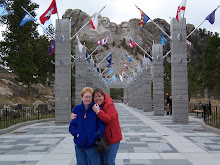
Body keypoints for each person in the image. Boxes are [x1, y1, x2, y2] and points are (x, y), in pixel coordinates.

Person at [69, 87, 105, 165]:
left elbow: (102, 125)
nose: (88, 99)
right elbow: (72, 126)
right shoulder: (77, 109)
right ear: (82, 97)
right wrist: (77, 134)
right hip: (79, 145)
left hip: (93, 145)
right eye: (86, 97)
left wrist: (96, 135)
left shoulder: (96, 108)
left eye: (89, 97)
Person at [92, 88, 122, 165]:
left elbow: (110, 120)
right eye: (95, 97)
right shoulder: (95, 106)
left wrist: (98, 112)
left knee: (109, 162)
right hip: (101, 139)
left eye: (99, 96)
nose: (98, 98)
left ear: (103, 96)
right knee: (101, 162)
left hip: (112, 139)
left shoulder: (109, 104)